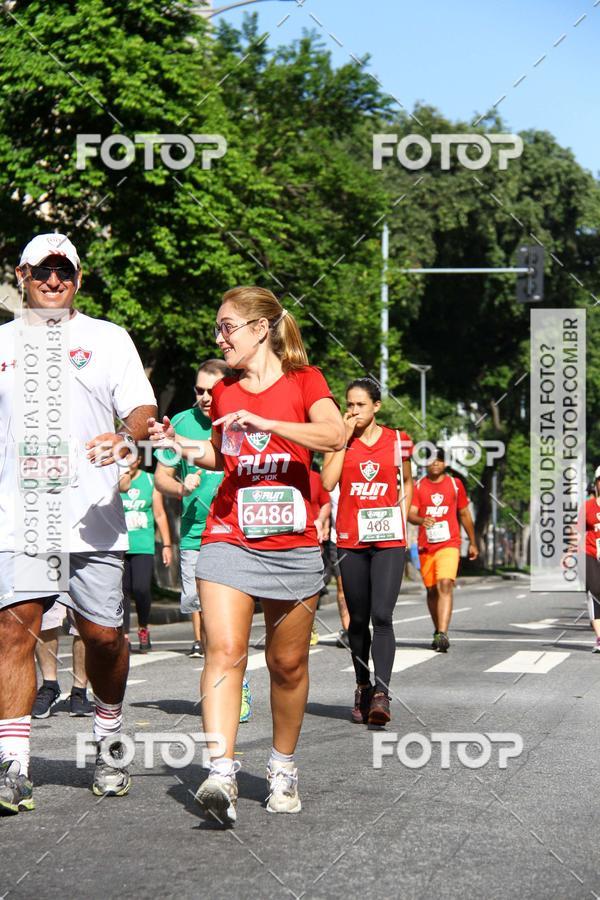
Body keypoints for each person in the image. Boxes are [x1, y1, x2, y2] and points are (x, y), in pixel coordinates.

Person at [149, 286, 344, 825]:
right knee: (226, 649)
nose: (219, 337)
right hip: (228, 533)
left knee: (287, 664)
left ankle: (282, 769)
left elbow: (333, 434)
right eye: (217, 328)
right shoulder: (227, 392)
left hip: (292, 543)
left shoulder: (307, 381)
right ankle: (221, 773)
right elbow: (222, 453)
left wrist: (269, 423)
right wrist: (185, 447)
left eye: (227, 326)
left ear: (260, 329)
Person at [0, 233, 156, 815]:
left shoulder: (107, 339)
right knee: (14, 633)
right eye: (43, 271)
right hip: (20, 519)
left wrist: (127, 433)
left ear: (78, 279)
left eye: (64, 271)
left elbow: (140, 406)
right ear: (23, 275)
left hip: (92, 520)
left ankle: (108, 737)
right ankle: (13, 766)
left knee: (103, 638)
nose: (53, 281)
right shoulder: (3, 343)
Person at [153, 359, 253, 722]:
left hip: (239, 531)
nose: (206, 397)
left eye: (212, 390)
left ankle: (232, 685)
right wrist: (181, 487)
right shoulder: (178, 423)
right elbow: (161, 479)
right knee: (210, 623)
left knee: (226, 622)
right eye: (199, 390)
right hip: (196, 534)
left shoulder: (242, 418)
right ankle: (225, 685)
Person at [322, 378, 413, 726]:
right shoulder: (338, 438)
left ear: (376, 406)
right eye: (349, 404)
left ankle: (382, 694)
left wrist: (403, 520)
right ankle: (362, 684)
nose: (353, 411)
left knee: (383, 615)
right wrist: (342, 440)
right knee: (358, 620)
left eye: (360, 405)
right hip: (350, 540)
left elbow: (407, 481)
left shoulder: (398, 440)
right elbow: (328, 482)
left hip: (389, 540)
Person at [408, 448, 478, 652]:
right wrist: (422, 520)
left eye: (439, 460)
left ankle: (443, 633)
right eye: (431, 461)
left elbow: (464, 513)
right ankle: (437, 629)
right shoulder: (418, 486)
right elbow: (411, 513)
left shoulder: (455, 485)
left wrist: (473, 542)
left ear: (446, 464)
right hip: (426, 546)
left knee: (445, 584)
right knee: (431, 590)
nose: (435, 464)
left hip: (449, 543)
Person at [119, 455, 172, 652]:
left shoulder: (150, 480)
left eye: (131, 459)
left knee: (141, 588)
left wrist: (167, 545)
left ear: (139, 460)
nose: (128, 463)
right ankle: (123, 634)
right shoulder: (116, 479)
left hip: (143, 545)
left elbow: (159, 513)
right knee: (122, 591)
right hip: (121, 545)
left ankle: (143, 627)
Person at [32, 601, 94, 718]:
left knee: (84, 621)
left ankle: (79, 691)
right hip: (50, 581)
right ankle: (49, 687)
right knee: (46, 619)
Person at [308, 462, 331, 645]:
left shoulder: (316, 478)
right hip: (282, 540)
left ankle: (309, 624)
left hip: (311, 540)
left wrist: (321, 521)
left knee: (308, 586)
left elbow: (325, 503)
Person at [583, 466, 600, 652]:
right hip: (591, 553)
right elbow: (577, 530)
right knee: (594, 592)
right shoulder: (588, 506)